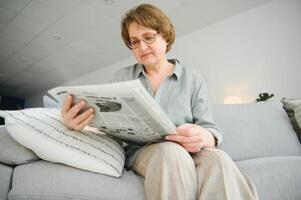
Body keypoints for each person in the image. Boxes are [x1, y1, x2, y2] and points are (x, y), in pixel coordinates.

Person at [61, 4, 259, 200]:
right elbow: (108, 128)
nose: (142, 46)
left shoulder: (193, 78)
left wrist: (206, 137)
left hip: (190, 151)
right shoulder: (123, 77)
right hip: (144, 153)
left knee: (218, 158)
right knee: (171, 152)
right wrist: (77, 125)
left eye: (148, 37)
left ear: (165, 37)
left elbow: (209, 128)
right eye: (135, 42)